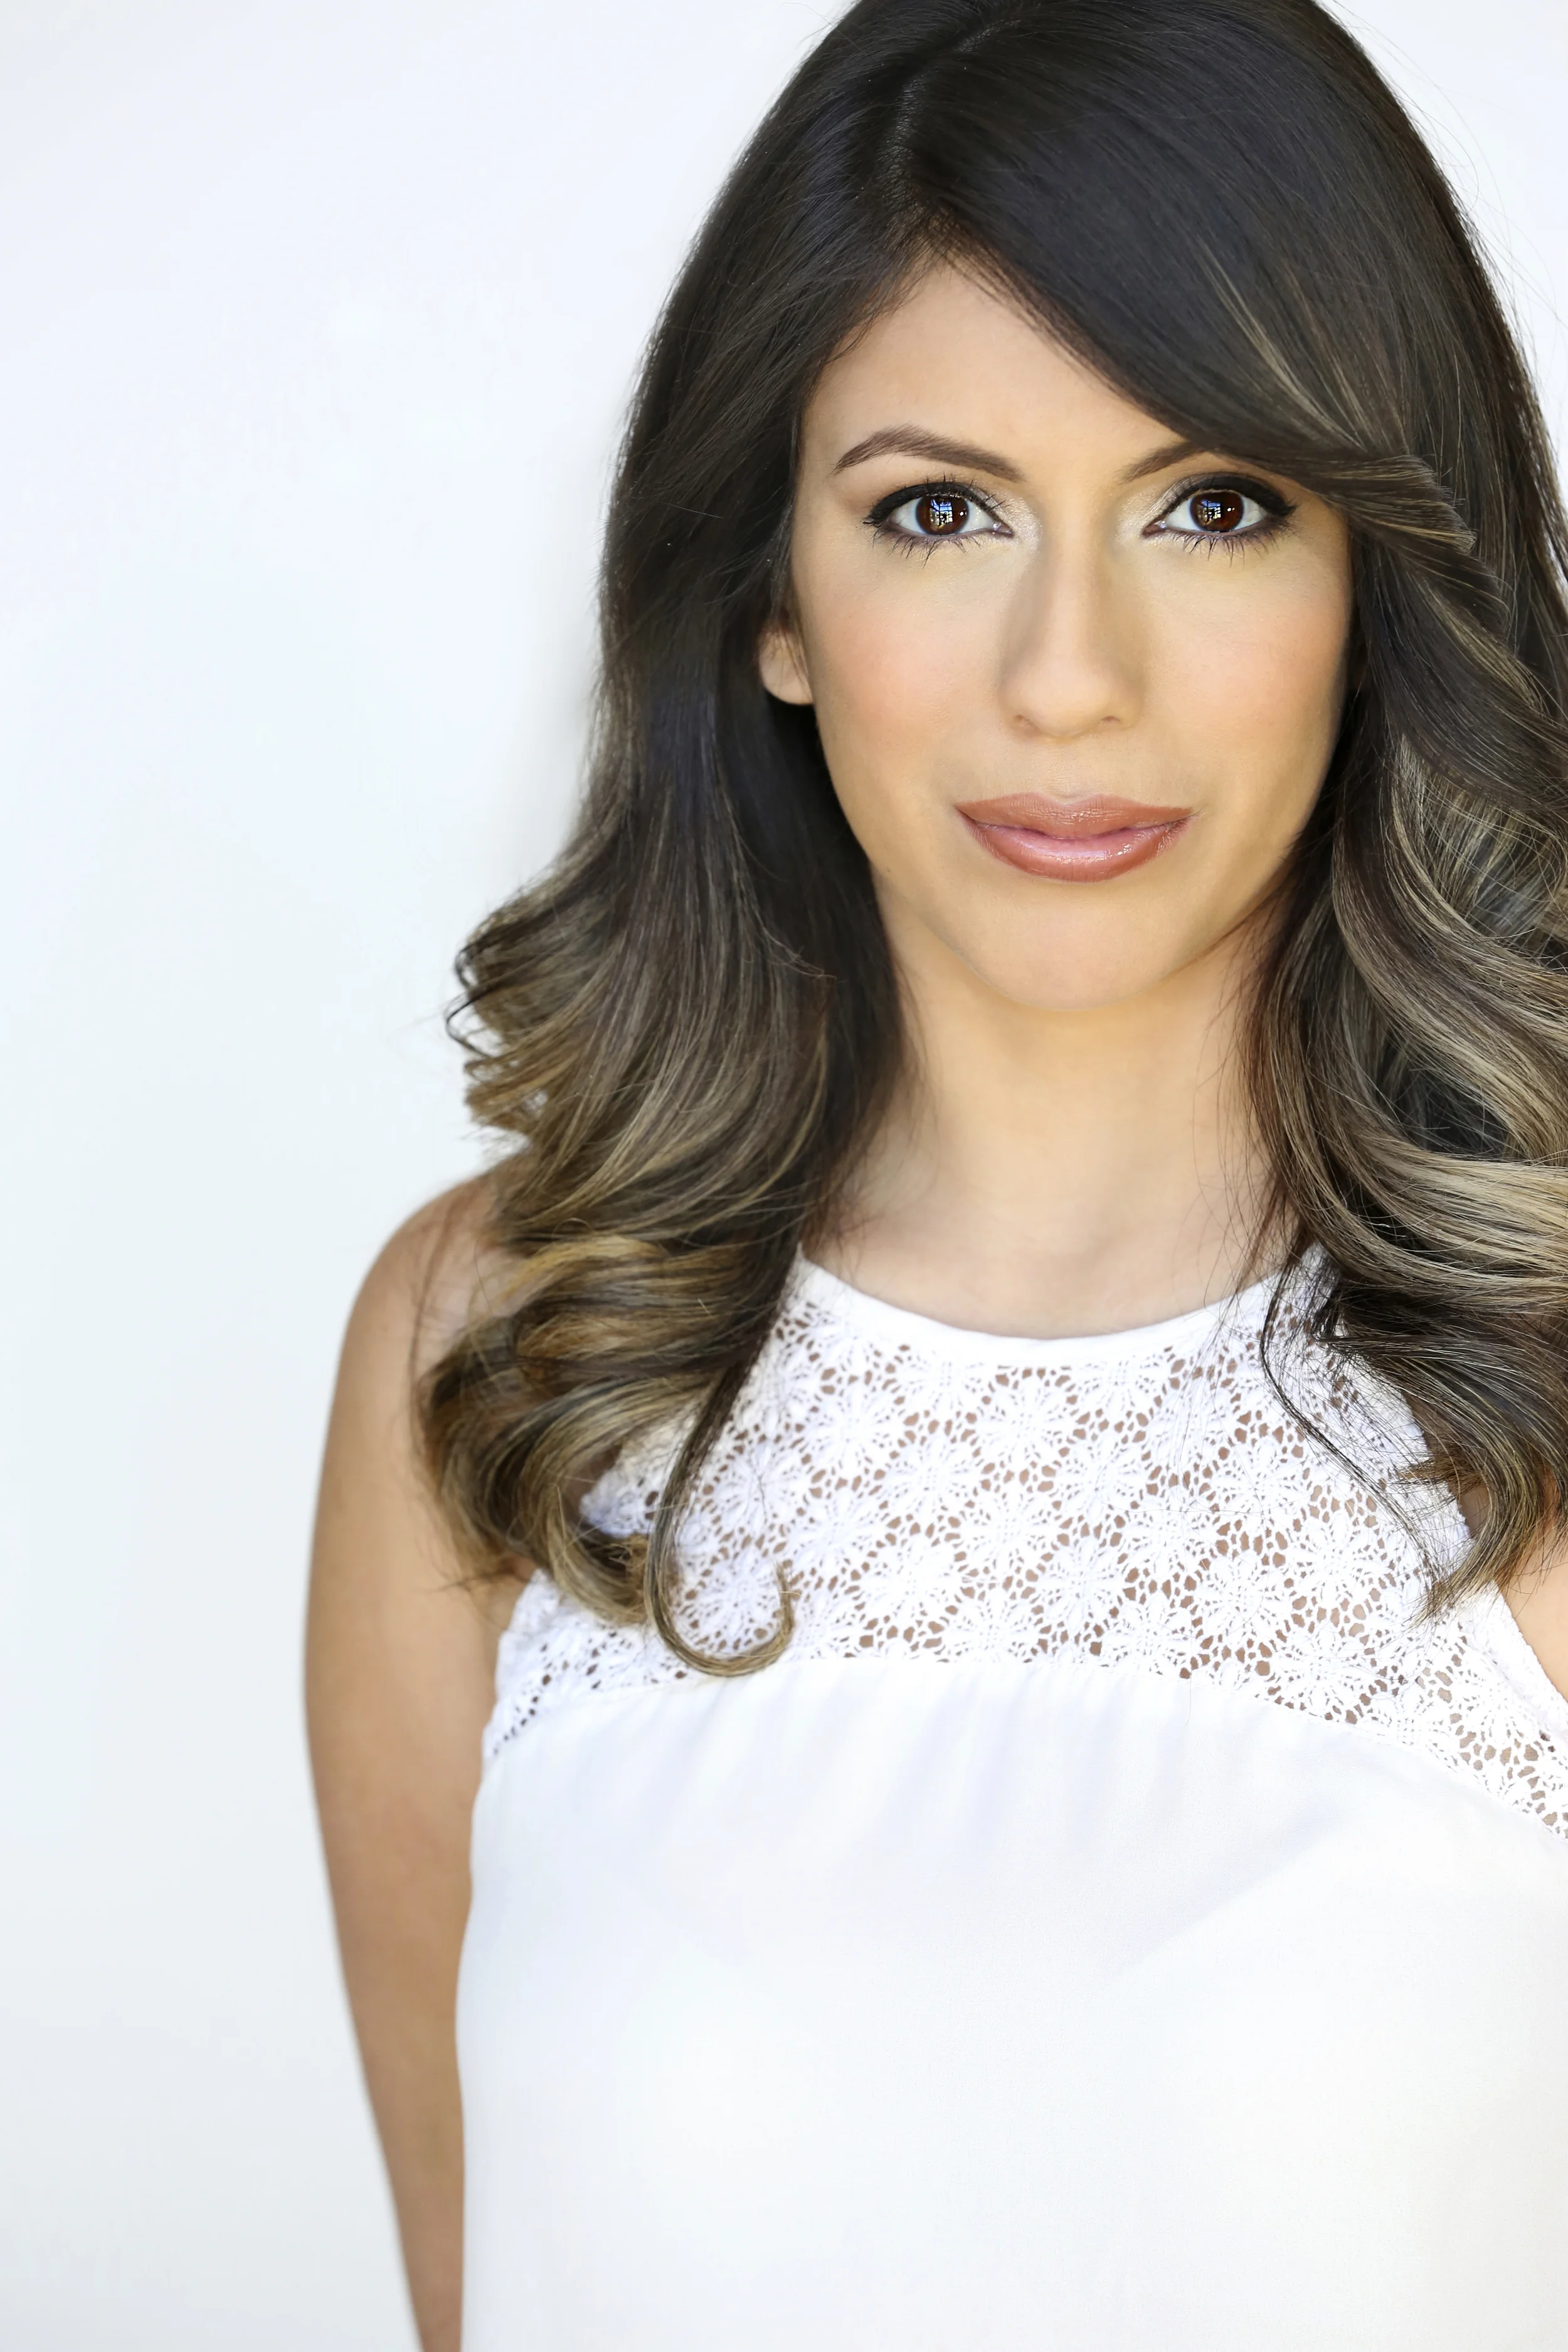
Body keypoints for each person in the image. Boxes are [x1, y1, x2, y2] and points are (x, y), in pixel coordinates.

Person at [306, 1, 1568, 2344]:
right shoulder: (502, 1355)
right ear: (769, 596)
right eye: (935, 509)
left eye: (1211, 506)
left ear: (1374, 578)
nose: (1066, 673)